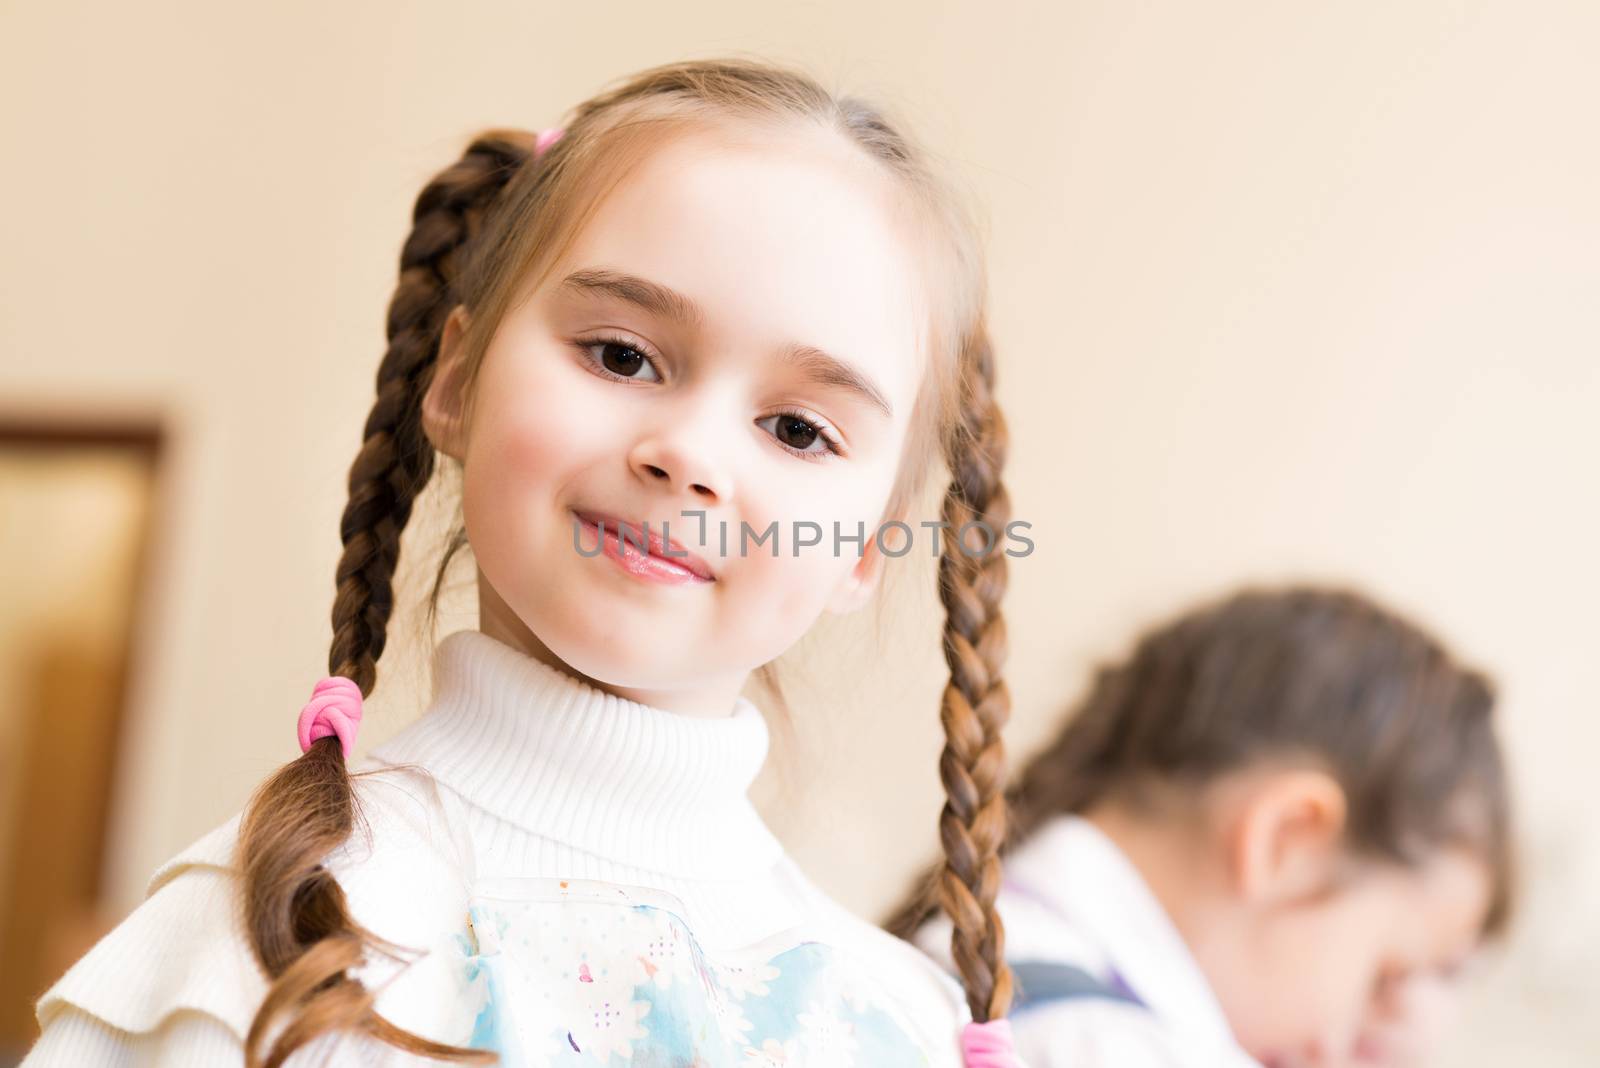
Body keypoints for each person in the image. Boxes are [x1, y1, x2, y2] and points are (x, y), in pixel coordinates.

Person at [24, 56, 1024, 1067]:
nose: (688, 456)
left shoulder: (899, 1024)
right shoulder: (276, 938)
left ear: (865, 549)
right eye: (621, 355)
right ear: (457, 378)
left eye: (798, 430)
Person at [888, 585, 1516, 1068]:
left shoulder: (964, 966)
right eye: (1385, 978)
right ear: (1288, 841)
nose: (1362, 1048)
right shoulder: (1109, 1045)